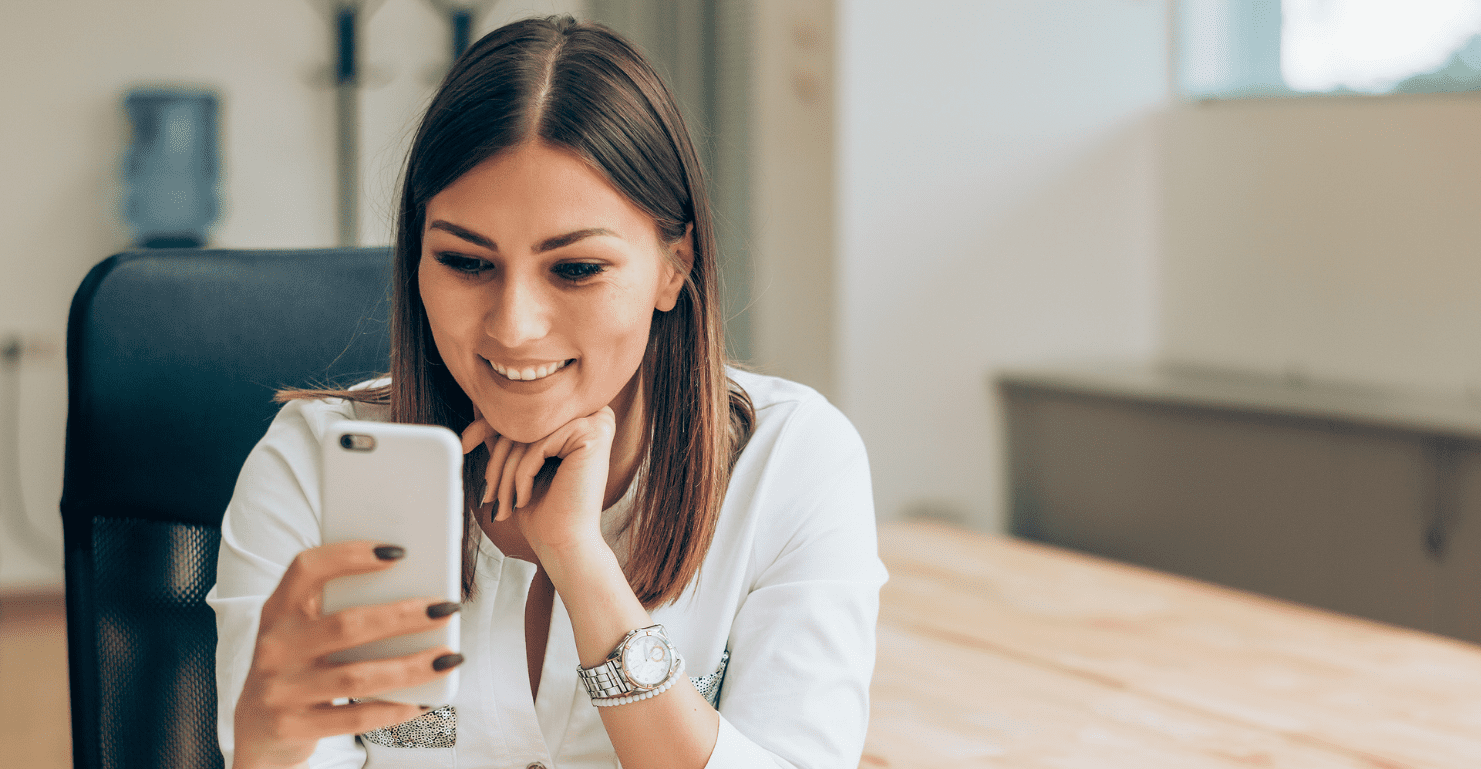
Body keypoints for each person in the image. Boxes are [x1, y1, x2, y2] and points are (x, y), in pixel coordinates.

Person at [207, 15, 886, 769]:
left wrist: (580, 561)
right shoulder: (312, 464)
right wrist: (268, 746)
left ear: (673, 266)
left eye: (575, 268)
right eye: (467, 262)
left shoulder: (791, 459)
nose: (514, 325)